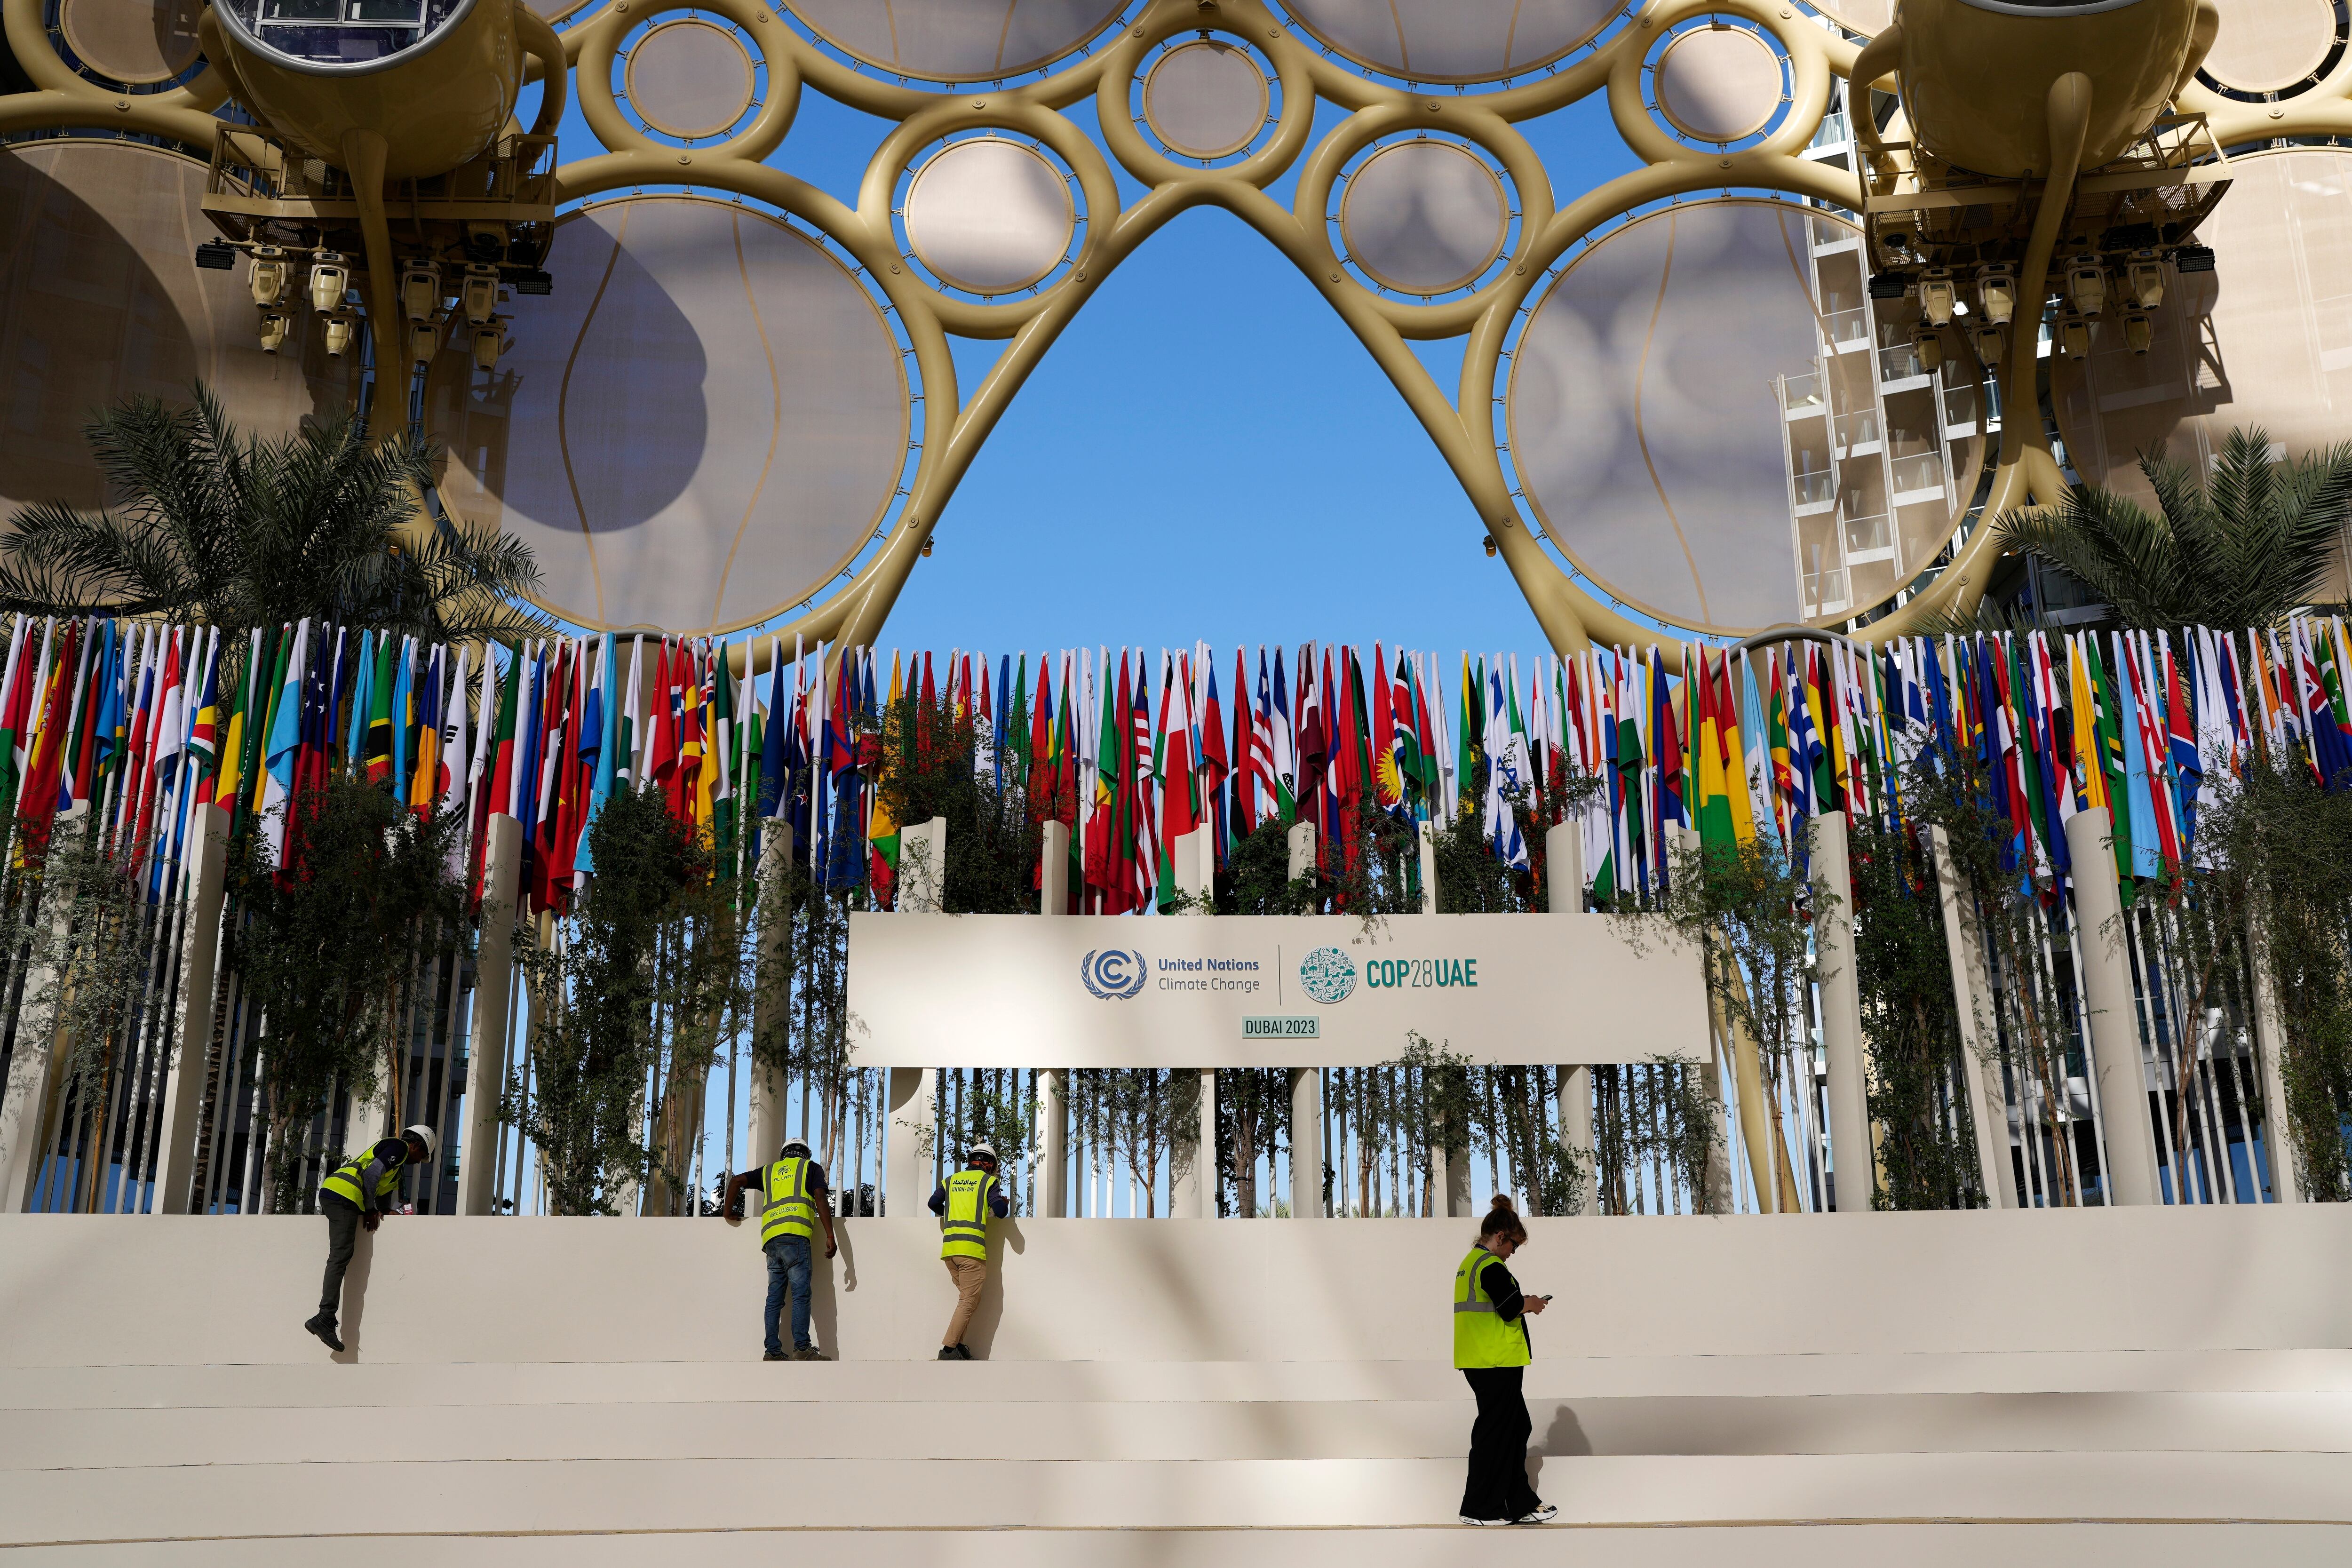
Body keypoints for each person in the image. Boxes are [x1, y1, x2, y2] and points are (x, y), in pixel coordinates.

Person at [1453, 1194, 1557, 1527]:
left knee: (1514, 1428)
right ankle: (1480, 1508)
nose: (1513, 1252)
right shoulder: (1490, 1266)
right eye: (1514, 1245)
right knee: (1496, 1434)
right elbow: (1510, 1306)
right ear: (1500, 1236)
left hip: (1486, 1359)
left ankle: (1519, 1503)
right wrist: (1532, 1303)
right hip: (1493, 1361)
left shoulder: (1471, 1263)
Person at [305, 1124, 436, 1353]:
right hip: (343, 1194)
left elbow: (382, 1202)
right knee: (340, 1256)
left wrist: (387, 1212)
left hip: (343, 1196)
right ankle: (324, 1317)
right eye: (422, 1156)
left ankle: (325, 1317)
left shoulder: (396, 1170)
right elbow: (372, 1174)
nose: (419, 1162)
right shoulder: (399, 1147)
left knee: (342, 1255)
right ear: (416, 1145)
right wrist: (369, 1209)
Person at [719, 1138, 839, 1361]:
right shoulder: (810, 1168)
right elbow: (820, 1197)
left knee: (774, 1298)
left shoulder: (769, 1171)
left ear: (784, 1154)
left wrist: (727, 1212)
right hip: (795, 1236)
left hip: (771, 1241)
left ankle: (772, 1351)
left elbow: (736, 1181)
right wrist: (830, 1235)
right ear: (806, 1153)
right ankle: (802, 1348)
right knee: (801, 1294)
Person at [928, 1143, 1011, 1361]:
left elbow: (933, 1203)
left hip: (950, 1252)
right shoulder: (988, 1182)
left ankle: (958, 1345)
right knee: (968, 1301)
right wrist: (1001, 1202)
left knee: (972, 1300)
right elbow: (1001, 1212)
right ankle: (948, 1350)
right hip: (972, 1252)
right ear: (990, 1165)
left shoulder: (950, 1180)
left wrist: (950, 1213)